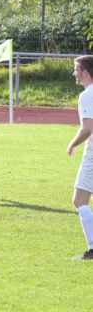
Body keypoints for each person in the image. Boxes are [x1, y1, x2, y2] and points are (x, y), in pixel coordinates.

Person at [67, 55, 93, 260]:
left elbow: (87, 128)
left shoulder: (87, 95)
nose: (74, 73)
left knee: (80, 199)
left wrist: (73, 143)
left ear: (85, 72)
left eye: (76, 69)